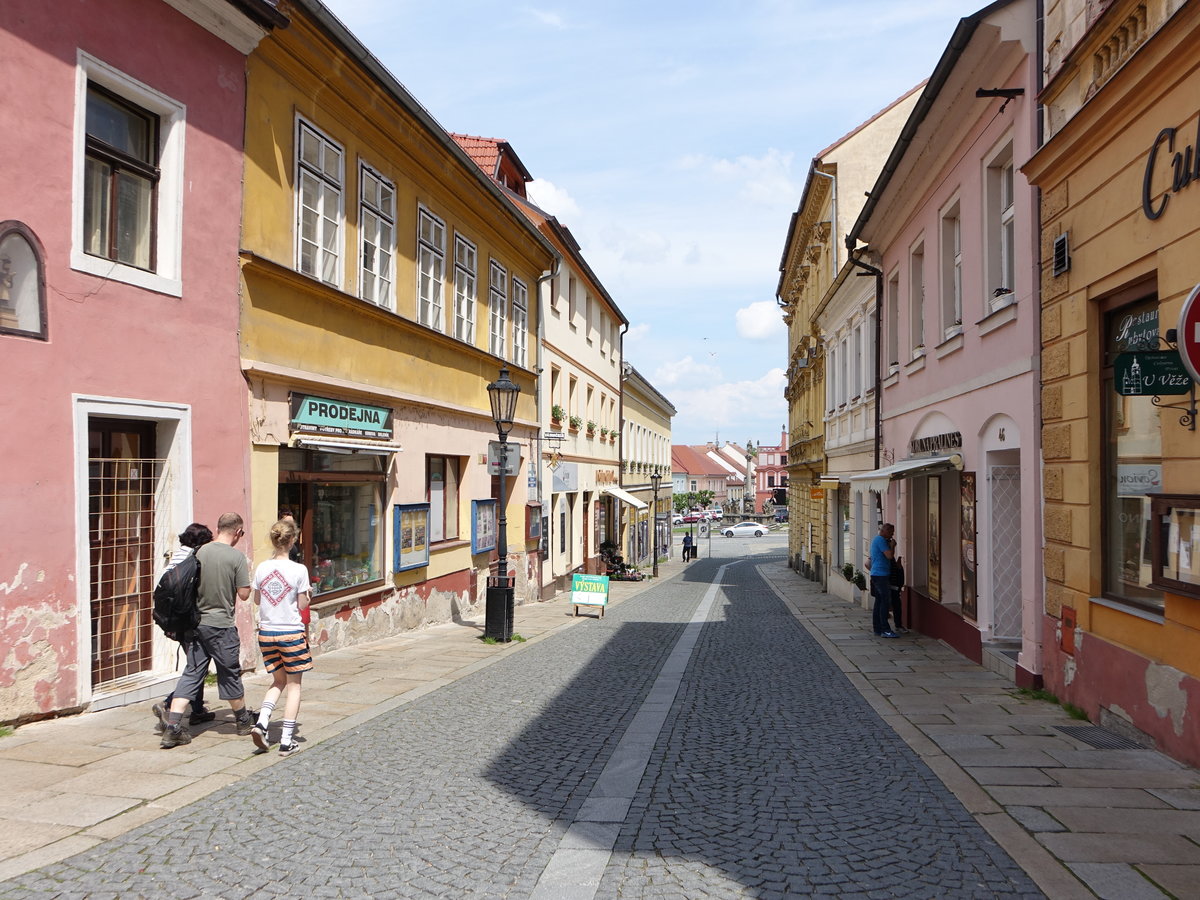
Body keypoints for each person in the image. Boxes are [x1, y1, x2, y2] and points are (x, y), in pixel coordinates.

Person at [160, 512, 255, 748]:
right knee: (229, 672)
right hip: (221, 625)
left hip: (195, 625)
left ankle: (173, 727)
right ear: (238, 532)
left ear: (218, 527)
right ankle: (243, 721)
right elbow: (244, 594)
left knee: (193, 672)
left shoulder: (199, 552)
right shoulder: (236, 557)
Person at [249, 518, 313, 756]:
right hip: (290, 633)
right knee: (294, 686)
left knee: (278, 681)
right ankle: (287, 739)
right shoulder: (299, 570)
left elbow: (256, 600)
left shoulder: (262, 568)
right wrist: (308, 595)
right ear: (293, 540)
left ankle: (262, 722)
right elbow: (302, 604)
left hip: (267, 633)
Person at [152, 523, 215, 734]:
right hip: (188, 621)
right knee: (196, 668)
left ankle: (197, 710)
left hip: (173, 620)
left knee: (196, 663)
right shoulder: (193, 560)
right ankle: (169, 704)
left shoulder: (177, 558)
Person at [869, 522, 899, 638]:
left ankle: (877, 628)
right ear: (885, 530)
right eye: (891, 532)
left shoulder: (878, 540)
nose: (892, 535)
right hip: (881, 575)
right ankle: (885, 629)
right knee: (884, 602)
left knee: (879, 602)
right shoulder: (881, 540)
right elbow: (889, 556)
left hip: (878, 574)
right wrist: (892, 546)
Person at [889, 552, 908, 635]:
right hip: (888, 585)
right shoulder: (883, 555)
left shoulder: (891, 558)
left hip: (894, 586)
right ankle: (884, 627)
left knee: (896, 604)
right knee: (885, 605)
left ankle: (898, 625)